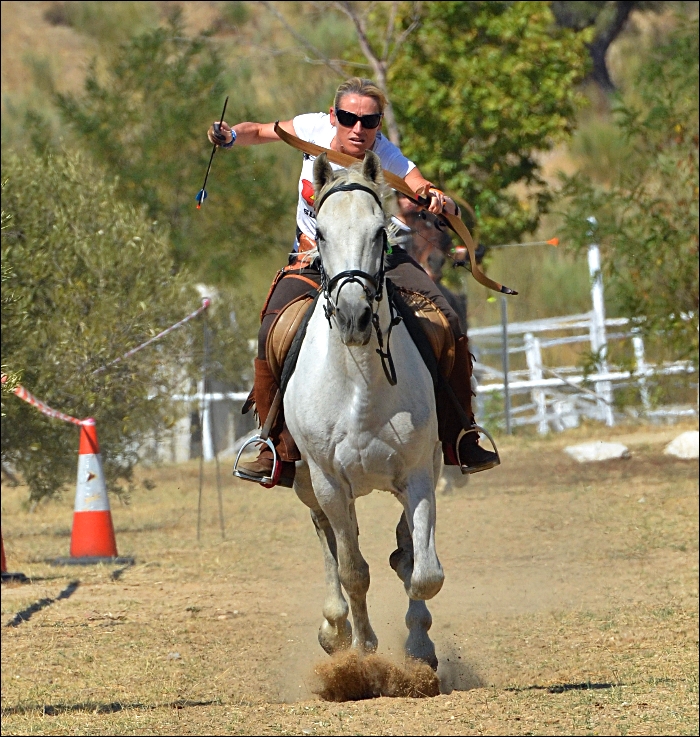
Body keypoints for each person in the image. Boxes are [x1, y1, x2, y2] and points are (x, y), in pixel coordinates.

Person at [208, 77, 498, 487]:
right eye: (348, 117)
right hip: (313, 258)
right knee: (270, 331)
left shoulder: (385, 154)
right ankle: (274, 446)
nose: (358, 129)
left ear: (378, 124)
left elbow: (419, 184)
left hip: (378, 258)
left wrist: (436, 197)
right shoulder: (311, 130)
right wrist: (231, 135)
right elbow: (258, 131)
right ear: (333, 116)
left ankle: (461, 434)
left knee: (447, 317)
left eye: (369, 120)